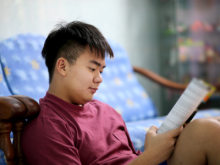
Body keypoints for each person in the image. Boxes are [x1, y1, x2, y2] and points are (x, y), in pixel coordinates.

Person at [21, 21, 220, 165]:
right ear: (63, 67)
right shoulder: (46, 128)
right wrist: (151, 157)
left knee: (205, 129)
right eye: (92, 69)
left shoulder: (106, 111)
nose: (99, 78)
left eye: (101, 71)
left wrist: (158, 148)